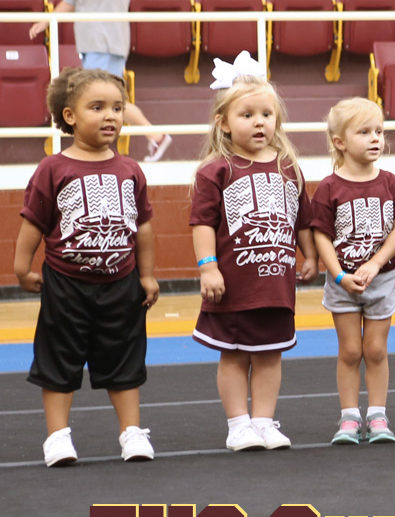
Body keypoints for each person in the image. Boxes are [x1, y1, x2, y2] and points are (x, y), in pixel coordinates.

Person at [13, 67, 159, 466]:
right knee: (59, 358)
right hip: (66, 285)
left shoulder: (130, 170)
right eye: (97, 107)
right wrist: (22, 267)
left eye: (117, 107)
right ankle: (58, 437)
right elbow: (33, 222)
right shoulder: (53, 168)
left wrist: (146, 275)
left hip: (121, 283)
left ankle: (131, 432)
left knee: (126, 359)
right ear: (69, 116)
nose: (110, 116)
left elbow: (142, 227)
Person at [189, 53, 318, 452]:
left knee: (269, 355)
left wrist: (309, 254)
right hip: (234, 283)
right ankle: (238, 423)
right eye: (247, 115)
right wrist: (208, 267)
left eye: (266, 113)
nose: (259, 121)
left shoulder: (288, 167)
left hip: (275, 284)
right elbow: (202, 223)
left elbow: (303, 218)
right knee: (233, 356)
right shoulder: (216, 170)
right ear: (223, 123)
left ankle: (263, 420)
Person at [310, 97, 395, 445]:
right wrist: (338, 275)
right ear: (340, 142)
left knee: (376, 350)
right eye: (364, 132)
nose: (375, 139)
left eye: (379, 131)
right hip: (343, 283)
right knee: (350, 350)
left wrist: (376, 262)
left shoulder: (390, 182)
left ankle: (378, 414)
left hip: (380, 280)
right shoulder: (329, 187)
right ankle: (350, 416)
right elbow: (320, 234)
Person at [30, 0, 173, 161]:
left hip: (101, 44)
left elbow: (70, 2)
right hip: (107, 43)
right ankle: (155, 136)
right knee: (108, 99)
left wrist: (45, 21)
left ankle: (155, 136)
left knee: (104, 99)